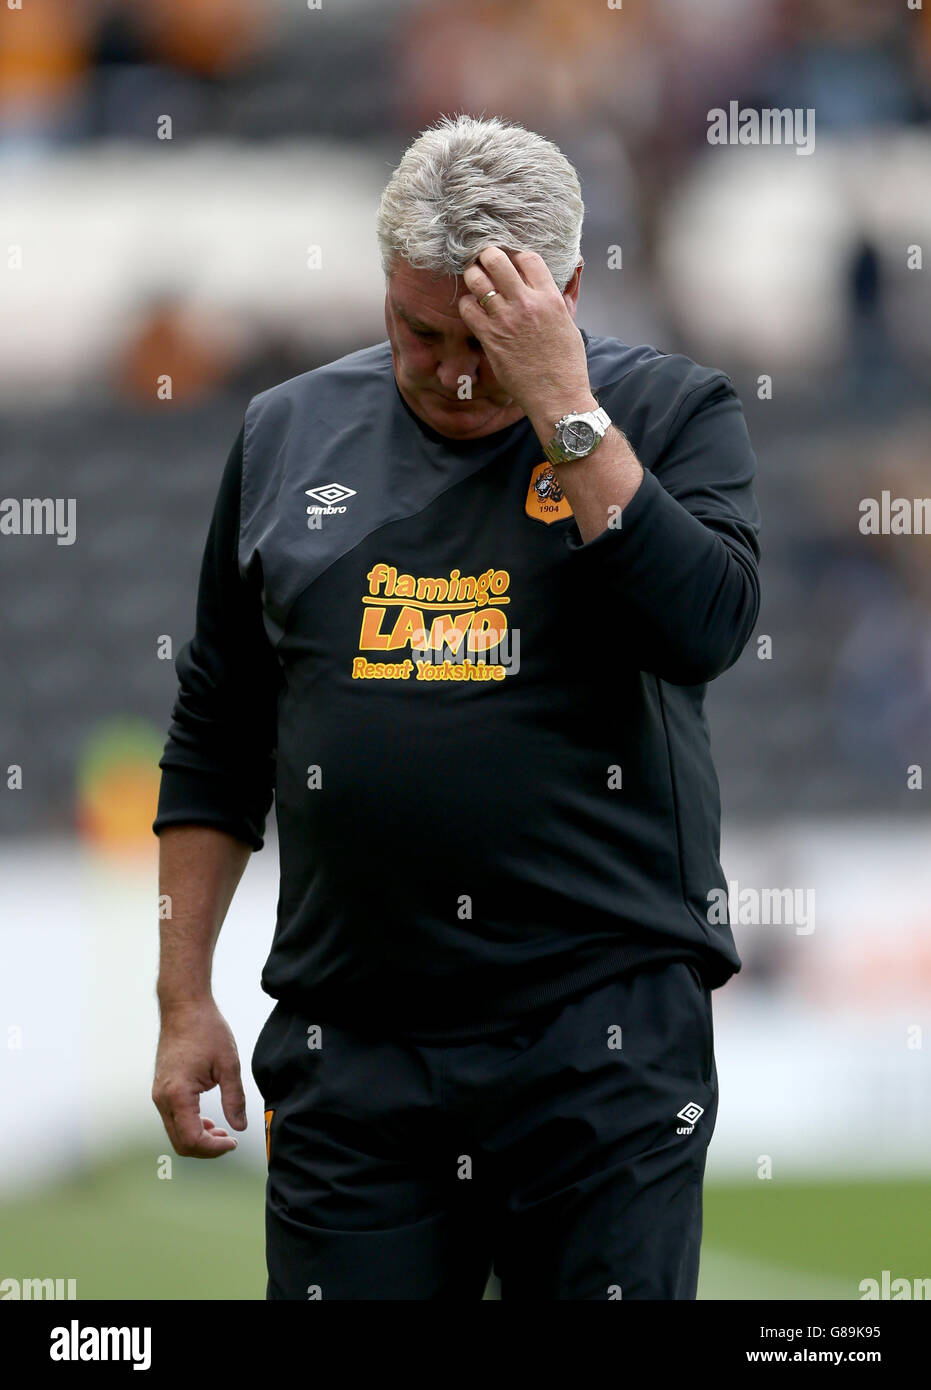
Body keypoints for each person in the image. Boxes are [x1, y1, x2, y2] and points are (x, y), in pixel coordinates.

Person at [151, 112, 761, 1300]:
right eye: (418, 331)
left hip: (603, 1038)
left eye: (485, 339)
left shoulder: (671, 413)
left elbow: (706, 629)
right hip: (353, 1045)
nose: (451, 370)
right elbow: (216, 736)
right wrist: (183, 999)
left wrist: (564, 411)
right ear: (384, 289)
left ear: (566, 289)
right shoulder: (286, 433)